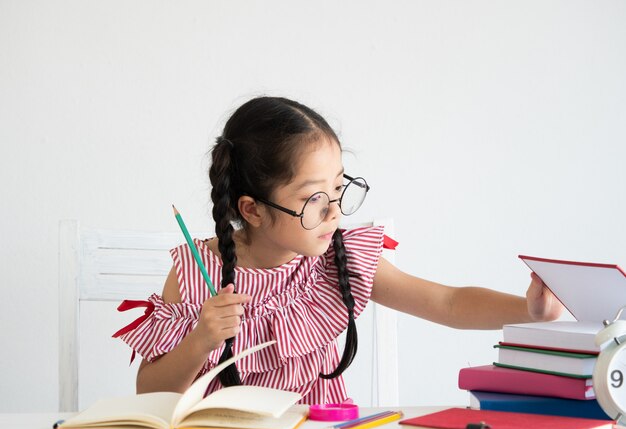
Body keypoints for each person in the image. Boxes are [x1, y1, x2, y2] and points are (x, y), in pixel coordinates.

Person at [117, 96, 562, 404]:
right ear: (251, 209)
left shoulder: (336, 260)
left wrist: (529, 312)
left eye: (338, 187)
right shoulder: (195, 275)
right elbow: (150, 395)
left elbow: (447, 302)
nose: (333, 212)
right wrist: (201, 339)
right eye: (314, 199)